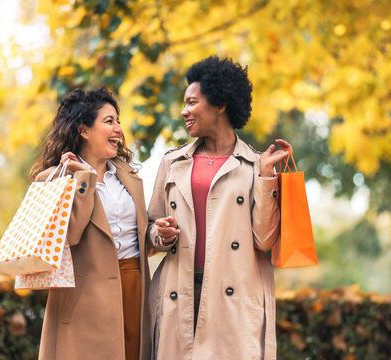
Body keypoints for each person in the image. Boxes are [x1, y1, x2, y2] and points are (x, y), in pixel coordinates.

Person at [147, 56, 292, 360]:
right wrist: (160, 234)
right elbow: (149, 232)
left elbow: (264, 241)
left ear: (220, 104)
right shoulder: (171, 163)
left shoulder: (255, 165)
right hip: (178, 292)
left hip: (233, 295)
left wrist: (267, 177)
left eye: (191, 102)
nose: (184, 111)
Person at [30, 87, 150, 360]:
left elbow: (139, 236)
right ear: (84, 130)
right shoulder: (54, 179)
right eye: (109, 121)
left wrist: (158, 234)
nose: (119, 129)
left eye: (118, 121)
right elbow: (68, 237)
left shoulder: (129, 177)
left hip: (134, 287)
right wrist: (83, 180)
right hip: (84, 299)